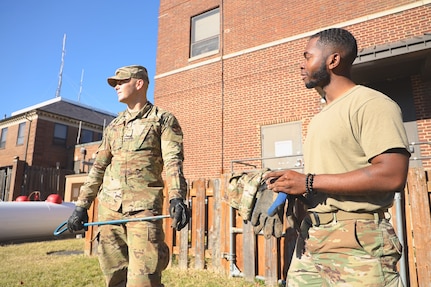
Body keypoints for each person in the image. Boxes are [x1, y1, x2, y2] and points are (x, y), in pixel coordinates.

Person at [265, 28, 410, 286]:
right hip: (311, 239)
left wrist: (308, 181)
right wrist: (295, 189)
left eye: (308, 57)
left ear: (333, 60)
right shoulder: (321, 116)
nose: (301, 65)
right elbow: (324, 177)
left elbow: (392, 174)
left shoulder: (371, 104)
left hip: (357, 244)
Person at [67, 65, 190, 287]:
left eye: (121, 82)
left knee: (144, 280)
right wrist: (81, 206)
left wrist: (177, 197)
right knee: (114, 279)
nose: (116, 87)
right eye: (115, 84)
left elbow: (173, 161)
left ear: (139, 83)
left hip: (142, 212)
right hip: (110, 212)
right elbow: (98, 168)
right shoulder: (114, 126)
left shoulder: (163, 120)